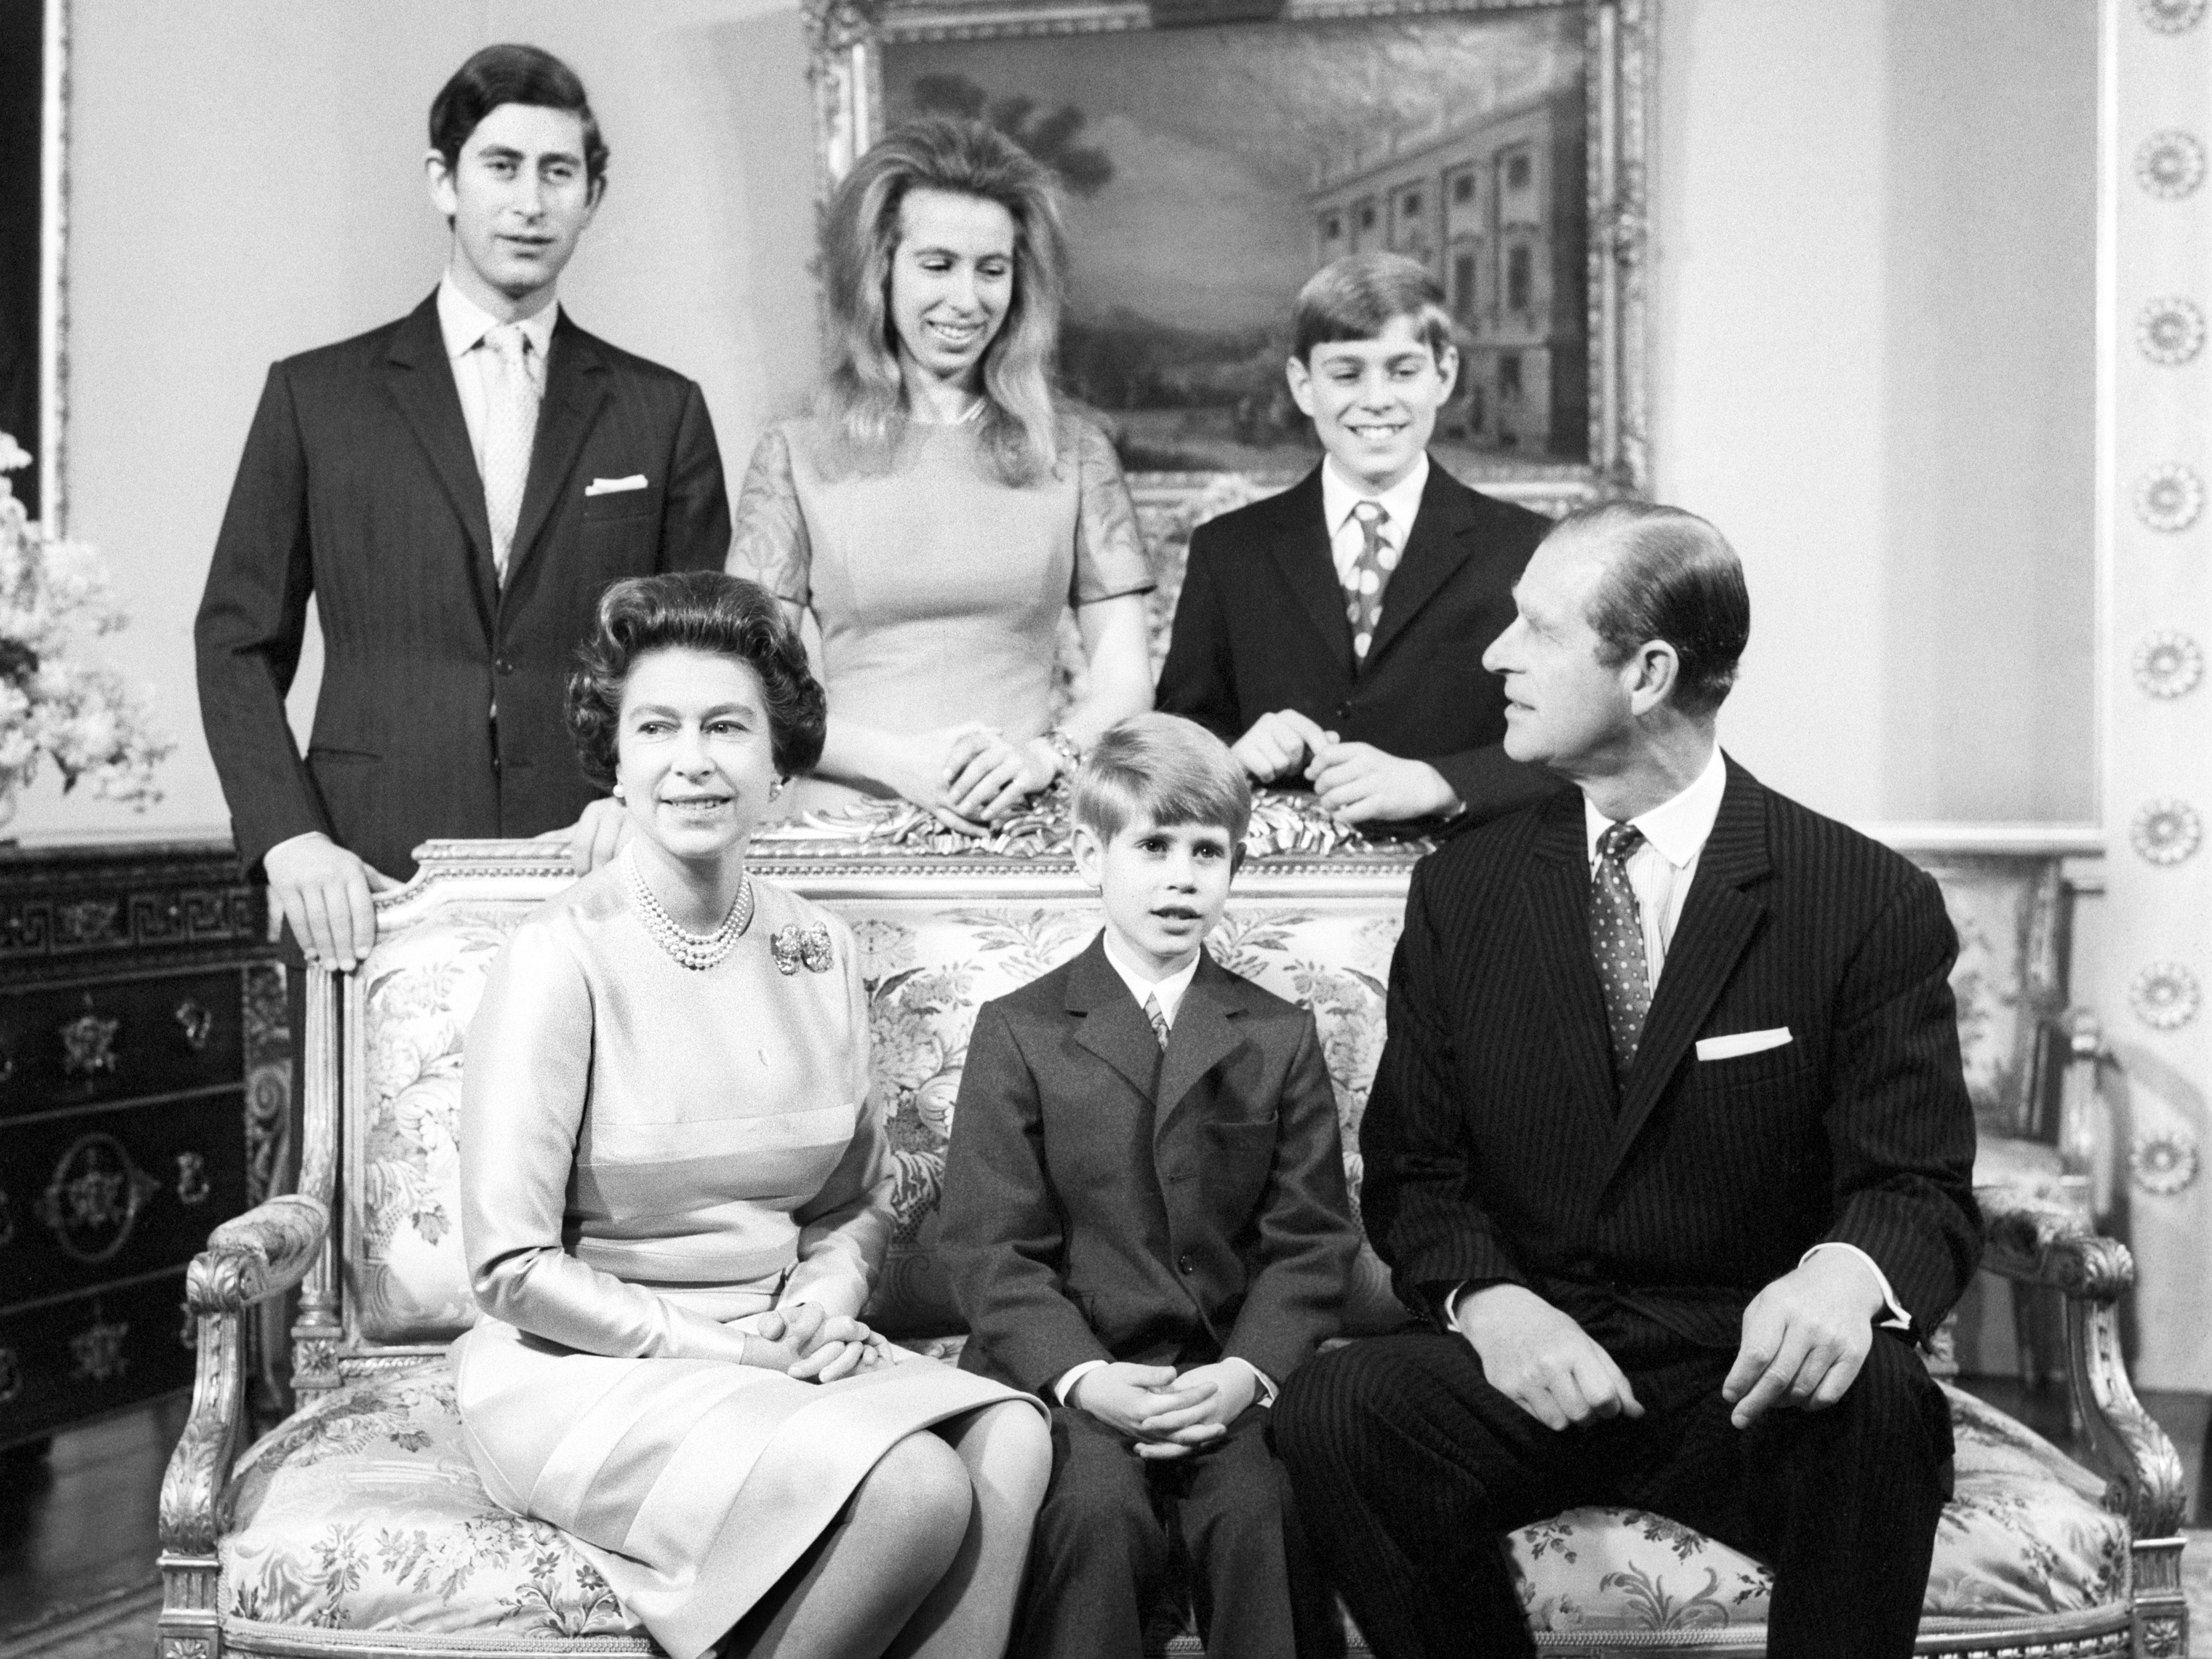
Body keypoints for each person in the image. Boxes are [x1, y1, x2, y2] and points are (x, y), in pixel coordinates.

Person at [1271, 502, 1980, 1659]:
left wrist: (1845, 1280)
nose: (1496, 655)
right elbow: (1415, 1174)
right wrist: (1490, 1308)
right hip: (1535, 1361)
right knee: (1334, 1414)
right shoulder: (1467, 892)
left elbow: (1915, 1184)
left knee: (1880, 1403)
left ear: (1646, 671)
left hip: (1746, 1377)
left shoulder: (1860, 901)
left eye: (1535, 631)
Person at [451, 571, 1050, 1659]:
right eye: (658, 727)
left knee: (1010, 1436)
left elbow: (854, 1200)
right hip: (585, 1368)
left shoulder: (817, 947)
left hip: (779, 1342)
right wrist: (724, 1351)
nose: (693, 758)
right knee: (916, 1489)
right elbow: (507, 1266)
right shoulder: (558, 957)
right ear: (618, 760)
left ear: (778, 764)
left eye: (727, 726)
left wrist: (827, 1289)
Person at [196, 43, 731, 975]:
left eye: (559, 173)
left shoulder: (662, 408)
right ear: (444, 182)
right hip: (366, 877)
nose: (530, 201)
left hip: (604, 867)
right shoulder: (315, 397)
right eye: (502, 166)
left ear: (592, 198)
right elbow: (235, 643)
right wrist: (288, 838)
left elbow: (700, 655)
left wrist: (646, 800)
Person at [938, 713, 1361, 1659]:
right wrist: (1083, 1375)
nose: (1181, 876)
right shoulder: (1022, 1029)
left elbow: (1312, 1238)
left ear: (1234, 866)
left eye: (1207, 851)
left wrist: (1243, 1376)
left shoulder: (1277, 1033)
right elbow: (987, 1243)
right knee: (1093, 1517)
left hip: (1224, 1375)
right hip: (1069, 1381)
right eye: (1153, 845)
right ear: (1095, 854)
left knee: (1262, 1513)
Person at [729, 117, 1154, 831]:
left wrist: (1041, 760)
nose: (967, 300)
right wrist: (898, 765)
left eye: (992, 270)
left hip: (1029, 828)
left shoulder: (1076, 453)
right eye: (937, 265)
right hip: (848, 837)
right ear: (879, 271)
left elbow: (1127, 683)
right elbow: (747, 690)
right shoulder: (794, 452)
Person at [1157, 252, 1561, 834]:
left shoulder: (1526, 547)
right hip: (1279, 889)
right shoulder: (1229, 551)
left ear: (1444, 374)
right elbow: (1177, 734)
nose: (1376, 399)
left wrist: (1440, 783)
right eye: (1347, 374)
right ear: (1303, 385)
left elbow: (1571, 746)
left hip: (1470, 883)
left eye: (1402, 371)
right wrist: (1232, 754)